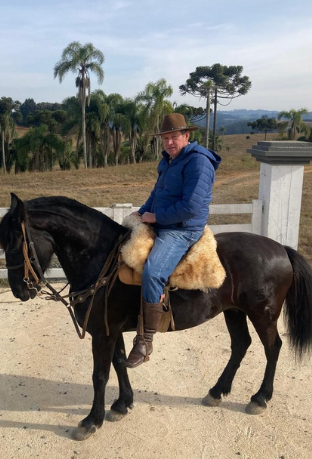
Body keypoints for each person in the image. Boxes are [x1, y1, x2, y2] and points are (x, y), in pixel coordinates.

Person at [126, 113, 222, 368]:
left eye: (174, 137)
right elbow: (157, 193)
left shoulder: (198, 163)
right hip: (163, 221)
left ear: (186, 136)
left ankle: (145, 341)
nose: (169, 142)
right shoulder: (169, 160)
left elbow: (190, 207)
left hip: (181, 229)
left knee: (153, 272)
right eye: (166, 138)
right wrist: (142, 211)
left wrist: (155, 217)